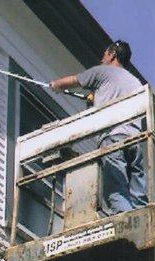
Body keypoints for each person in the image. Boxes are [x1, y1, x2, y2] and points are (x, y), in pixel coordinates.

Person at [50, 40, 148, 216]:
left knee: (116, 189)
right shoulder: (135, 82)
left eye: (104, 54)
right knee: (138, 193)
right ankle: (143, 219)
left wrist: (56, 85)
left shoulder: (102, 71)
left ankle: (125, 223)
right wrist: (94, 100)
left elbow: (74, 80)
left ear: (112, 54)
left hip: (113, 137)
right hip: (136, 139)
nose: (102, 58)